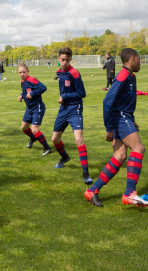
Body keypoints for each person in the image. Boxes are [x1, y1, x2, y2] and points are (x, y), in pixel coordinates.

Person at [84, 48, 148, 207]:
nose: (140, 63)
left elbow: (125, 102)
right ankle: (130, 194)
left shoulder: (130, 76)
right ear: (133, 58)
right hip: (119, 118)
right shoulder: (123, 75)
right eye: (139, 59)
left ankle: (92, 190)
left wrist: (132, 119)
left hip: (123, 117)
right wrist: (109, 128)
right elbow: (107, 101)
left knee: (120, 156)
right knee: (138, 148)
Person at [51, 47, 93, 185]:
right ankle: (64, 157)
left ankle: (86, 173)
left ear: (71, 59)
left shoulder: (74, 73)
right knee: (55, 139)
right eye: (62, 59)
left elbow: (82, 93)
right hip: (63, 109)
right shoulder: (58, 72)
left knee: (78, 139)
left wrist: (64, 96)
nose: (64, 62)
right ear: (58, 59)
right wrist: (64, 98)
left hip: (75, 108)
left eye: (67, 60)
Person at [17, 63, 52, 155]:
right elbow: (26, 90)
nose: (22, 74)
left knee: (35, 130)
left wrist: (32, 94)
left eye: (24, 72)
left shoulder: (32, 79)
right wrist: (21, 95)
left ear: (28, 71)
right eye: (20, 72)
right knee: (24, 127)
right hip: (29, 108)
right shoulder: (23, 81)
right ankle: (33, 138)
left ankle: (47, 148)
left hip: (37, 107)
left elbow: (43, 88)